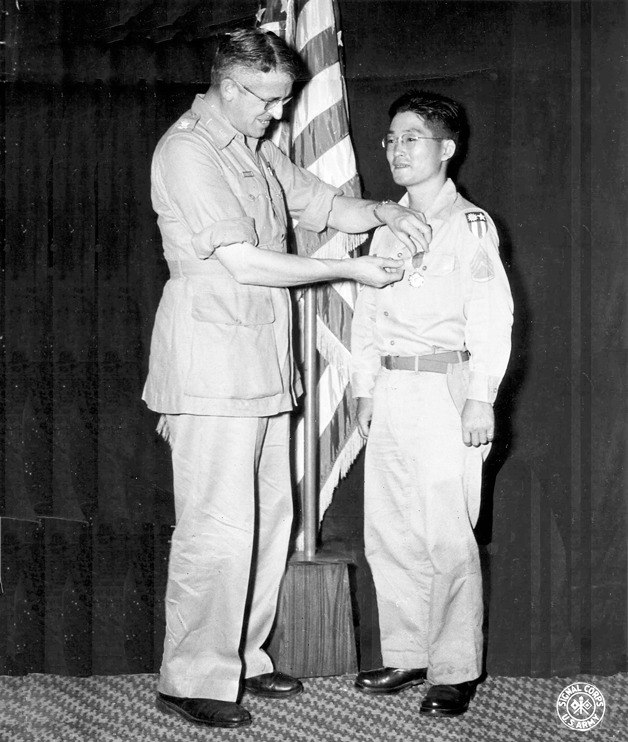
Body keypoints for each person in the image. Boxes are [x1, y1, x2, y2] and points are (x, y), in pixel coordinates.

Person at [142, 29, 432, 729]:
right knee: (216, 527)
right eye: (268, 101)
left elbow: (328, 207)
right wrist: (349, 269)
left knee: (271, 519)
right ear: (231, 88)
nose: (276, 115)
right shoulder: (188, 150)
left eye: (282, 101)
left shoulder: (253, 149)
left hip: (265, 365)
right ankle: (193, 677)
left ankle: (242, 658)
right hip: (211, 365)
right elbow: (245, 262)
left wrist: (385, 211)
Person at [351, 90, 513, 716]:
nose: (397, 149)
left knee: (446, 532)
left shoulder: (470, 225)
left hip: (446, 389)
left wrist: (481, 400)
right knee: (389, 529)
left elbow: (491, 320)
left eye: (412, 137)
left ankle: (453, 667)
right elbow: (368, 315)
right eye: (391, 138)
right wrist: (365, 390)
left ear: (446, 149)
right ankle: (408, 650)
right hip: (391, 389)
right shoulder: (387, 228)